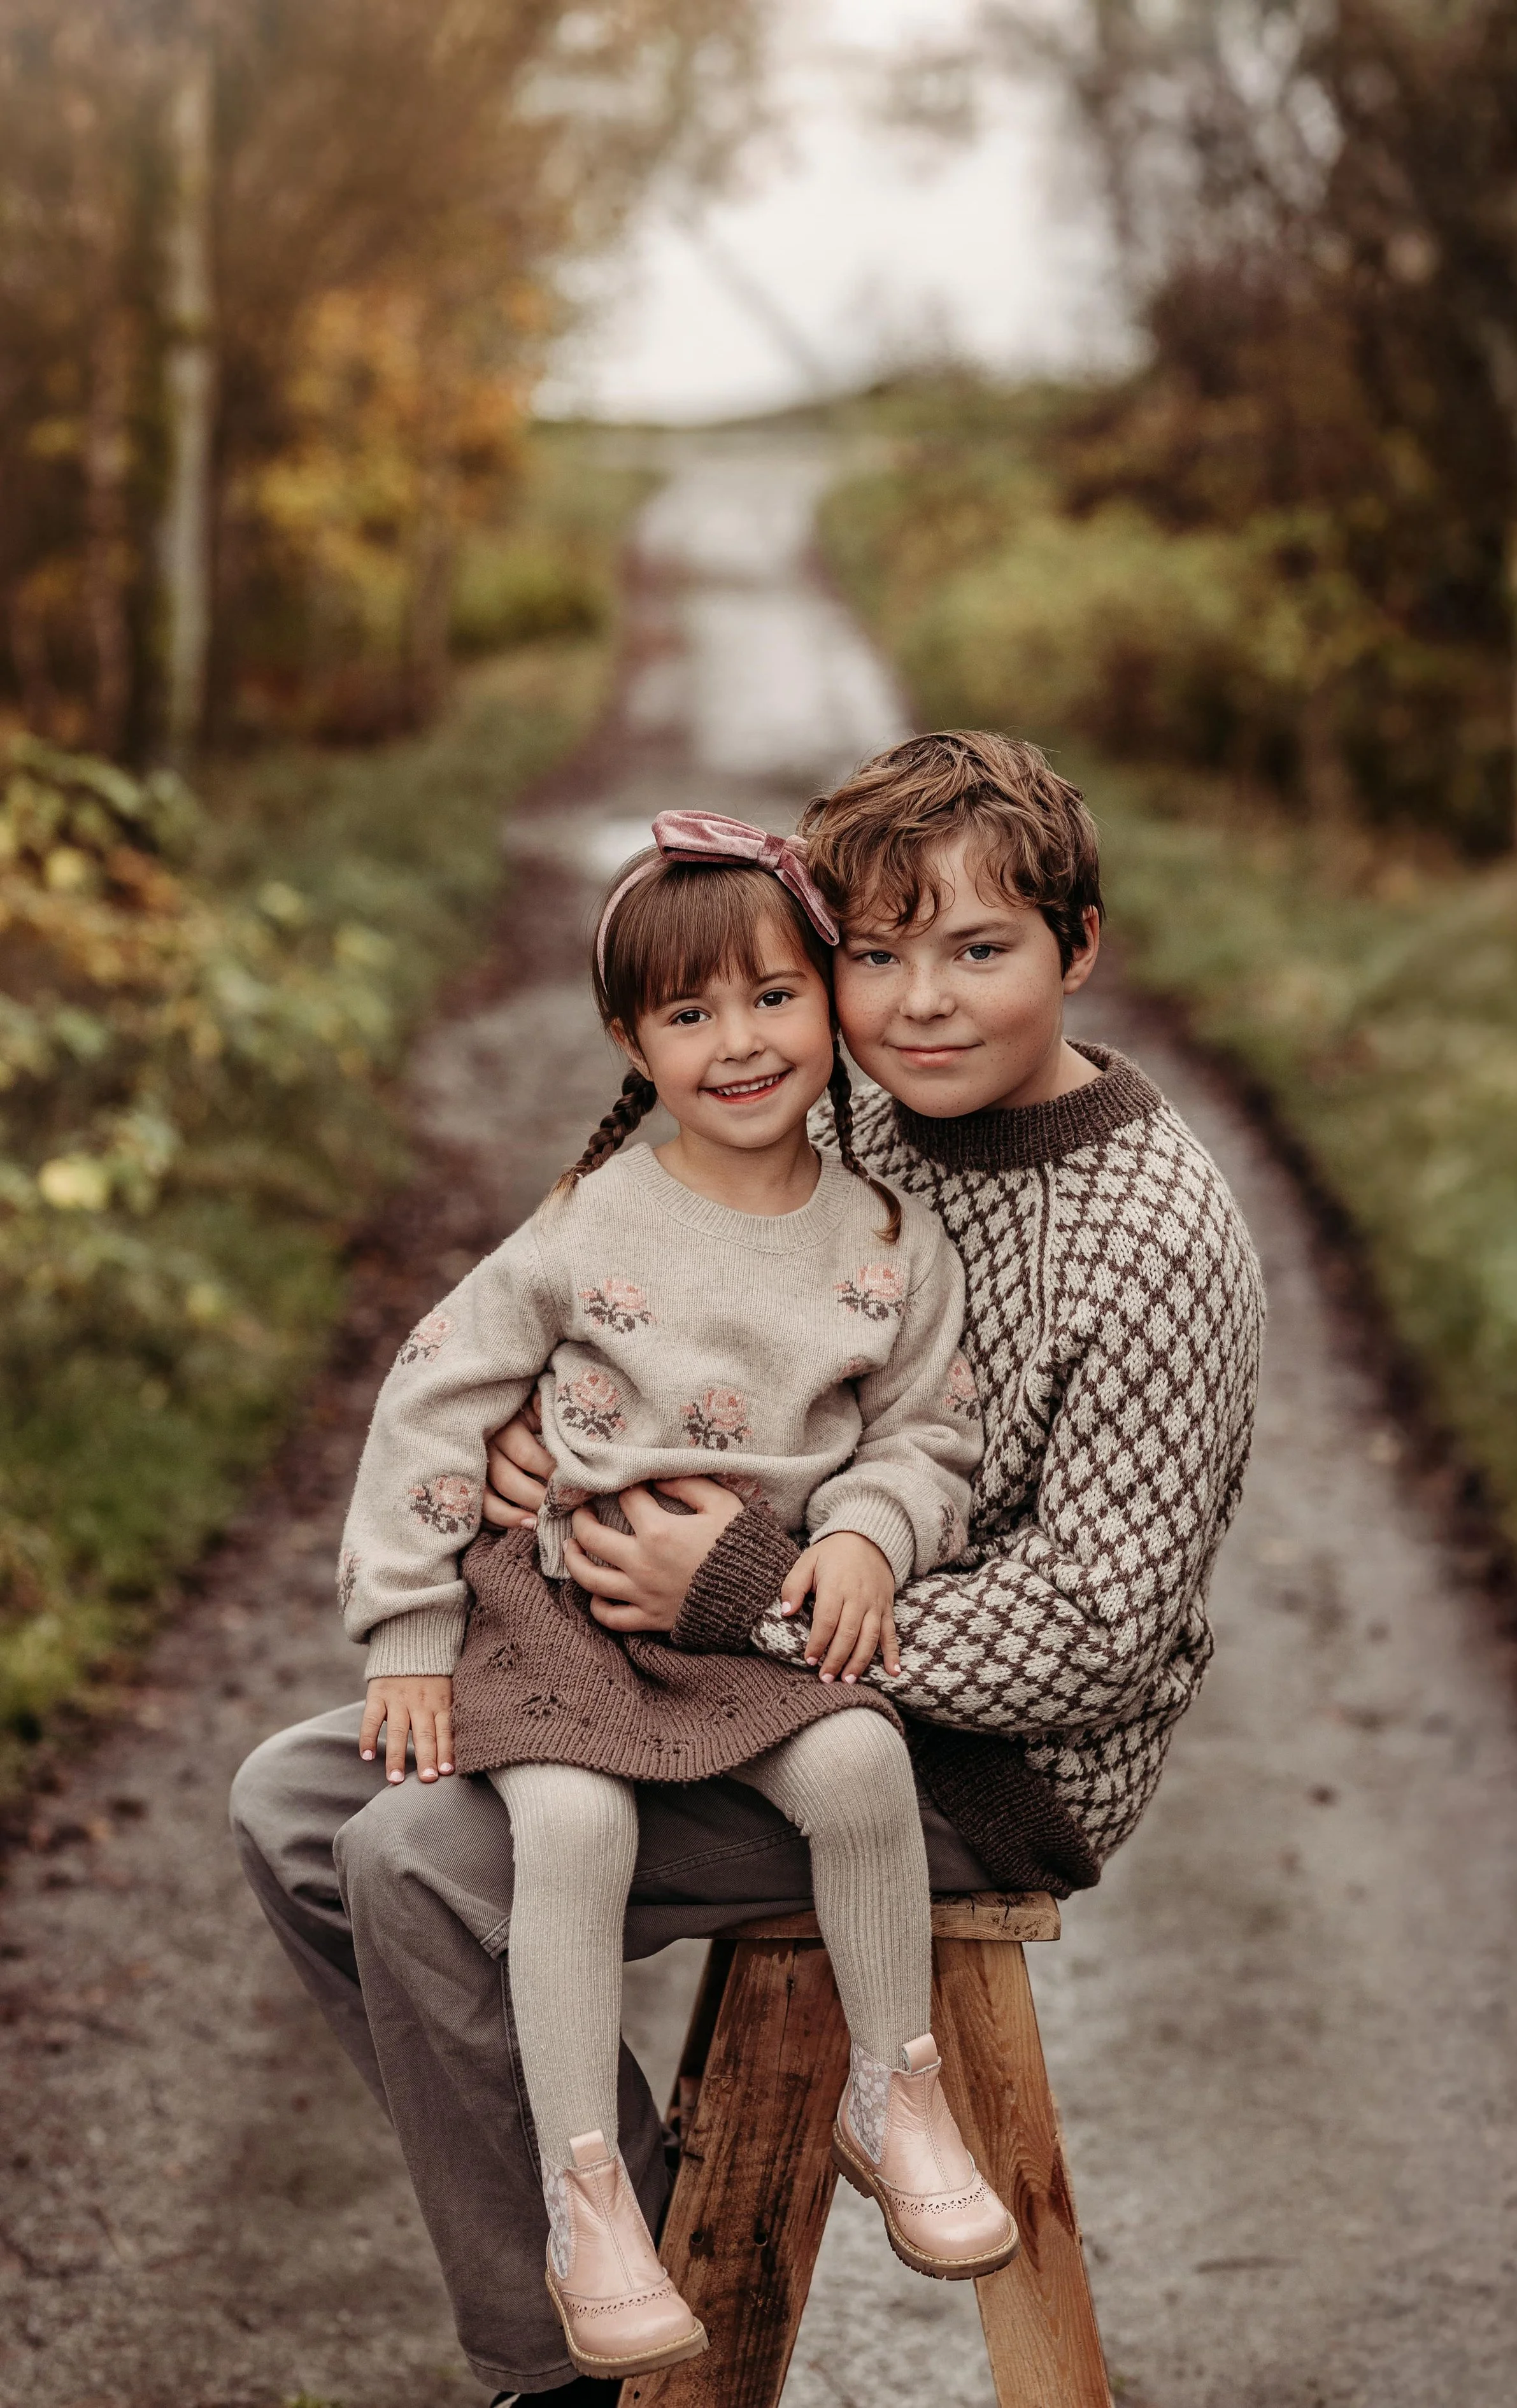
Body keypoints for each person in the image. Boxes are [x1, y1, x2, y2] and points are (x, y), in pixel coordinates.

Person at [231, 730, 1265, 2407]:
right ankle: (635, 2231)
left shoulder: (1155, 1237)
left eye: (979, 951)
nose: (920, 1004)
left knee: (415, 1855)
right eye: (876, 956)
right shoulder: (858, 1111)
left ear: (1078, 946)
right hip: (711, 1667)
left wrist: (751, 1589)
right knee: (296, 1799)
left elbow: (1094, 1630)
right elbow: (652, 1294)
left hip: (975, 1762)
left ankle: (571, 2364)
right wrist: (545, 1438)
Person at [334, 811, 1015, 2382]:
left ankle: (894, 2088)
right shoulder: (589, 1223)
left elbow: (927, 1435)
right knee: (574, 1825)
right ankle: (589, 2202)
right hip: (566, 1606)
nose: (740, 1042)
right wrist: (411, 1633)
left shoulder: (887, 1239)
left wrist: (867, 1537)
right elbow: (434, 1396)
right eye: (688, 1013)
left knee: (861, 1761)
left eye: (773, 996)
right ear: (631, 1041)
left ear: (825, 1001)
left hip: (740, 1618)